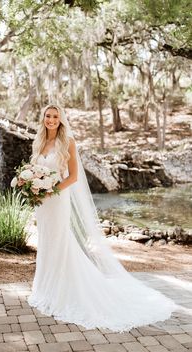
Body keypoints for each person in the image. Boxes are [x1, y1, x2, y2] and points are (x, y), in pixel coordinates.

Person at [27, 103, 178, 332]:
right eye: (48, 116)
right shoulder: (38, 143)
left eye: (55, 116)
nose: (51, 120)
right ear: (43, 118)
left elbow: (74, 177)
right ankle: (46, 289)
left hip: (57, 200)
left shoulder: (67, 142)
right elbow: (33, 171)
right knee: (46, 242)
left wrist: (52, 190)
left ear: (61, 120)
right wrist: (31, 187)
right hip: (42, 203)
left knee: (60, 242)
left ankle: (64, 291)